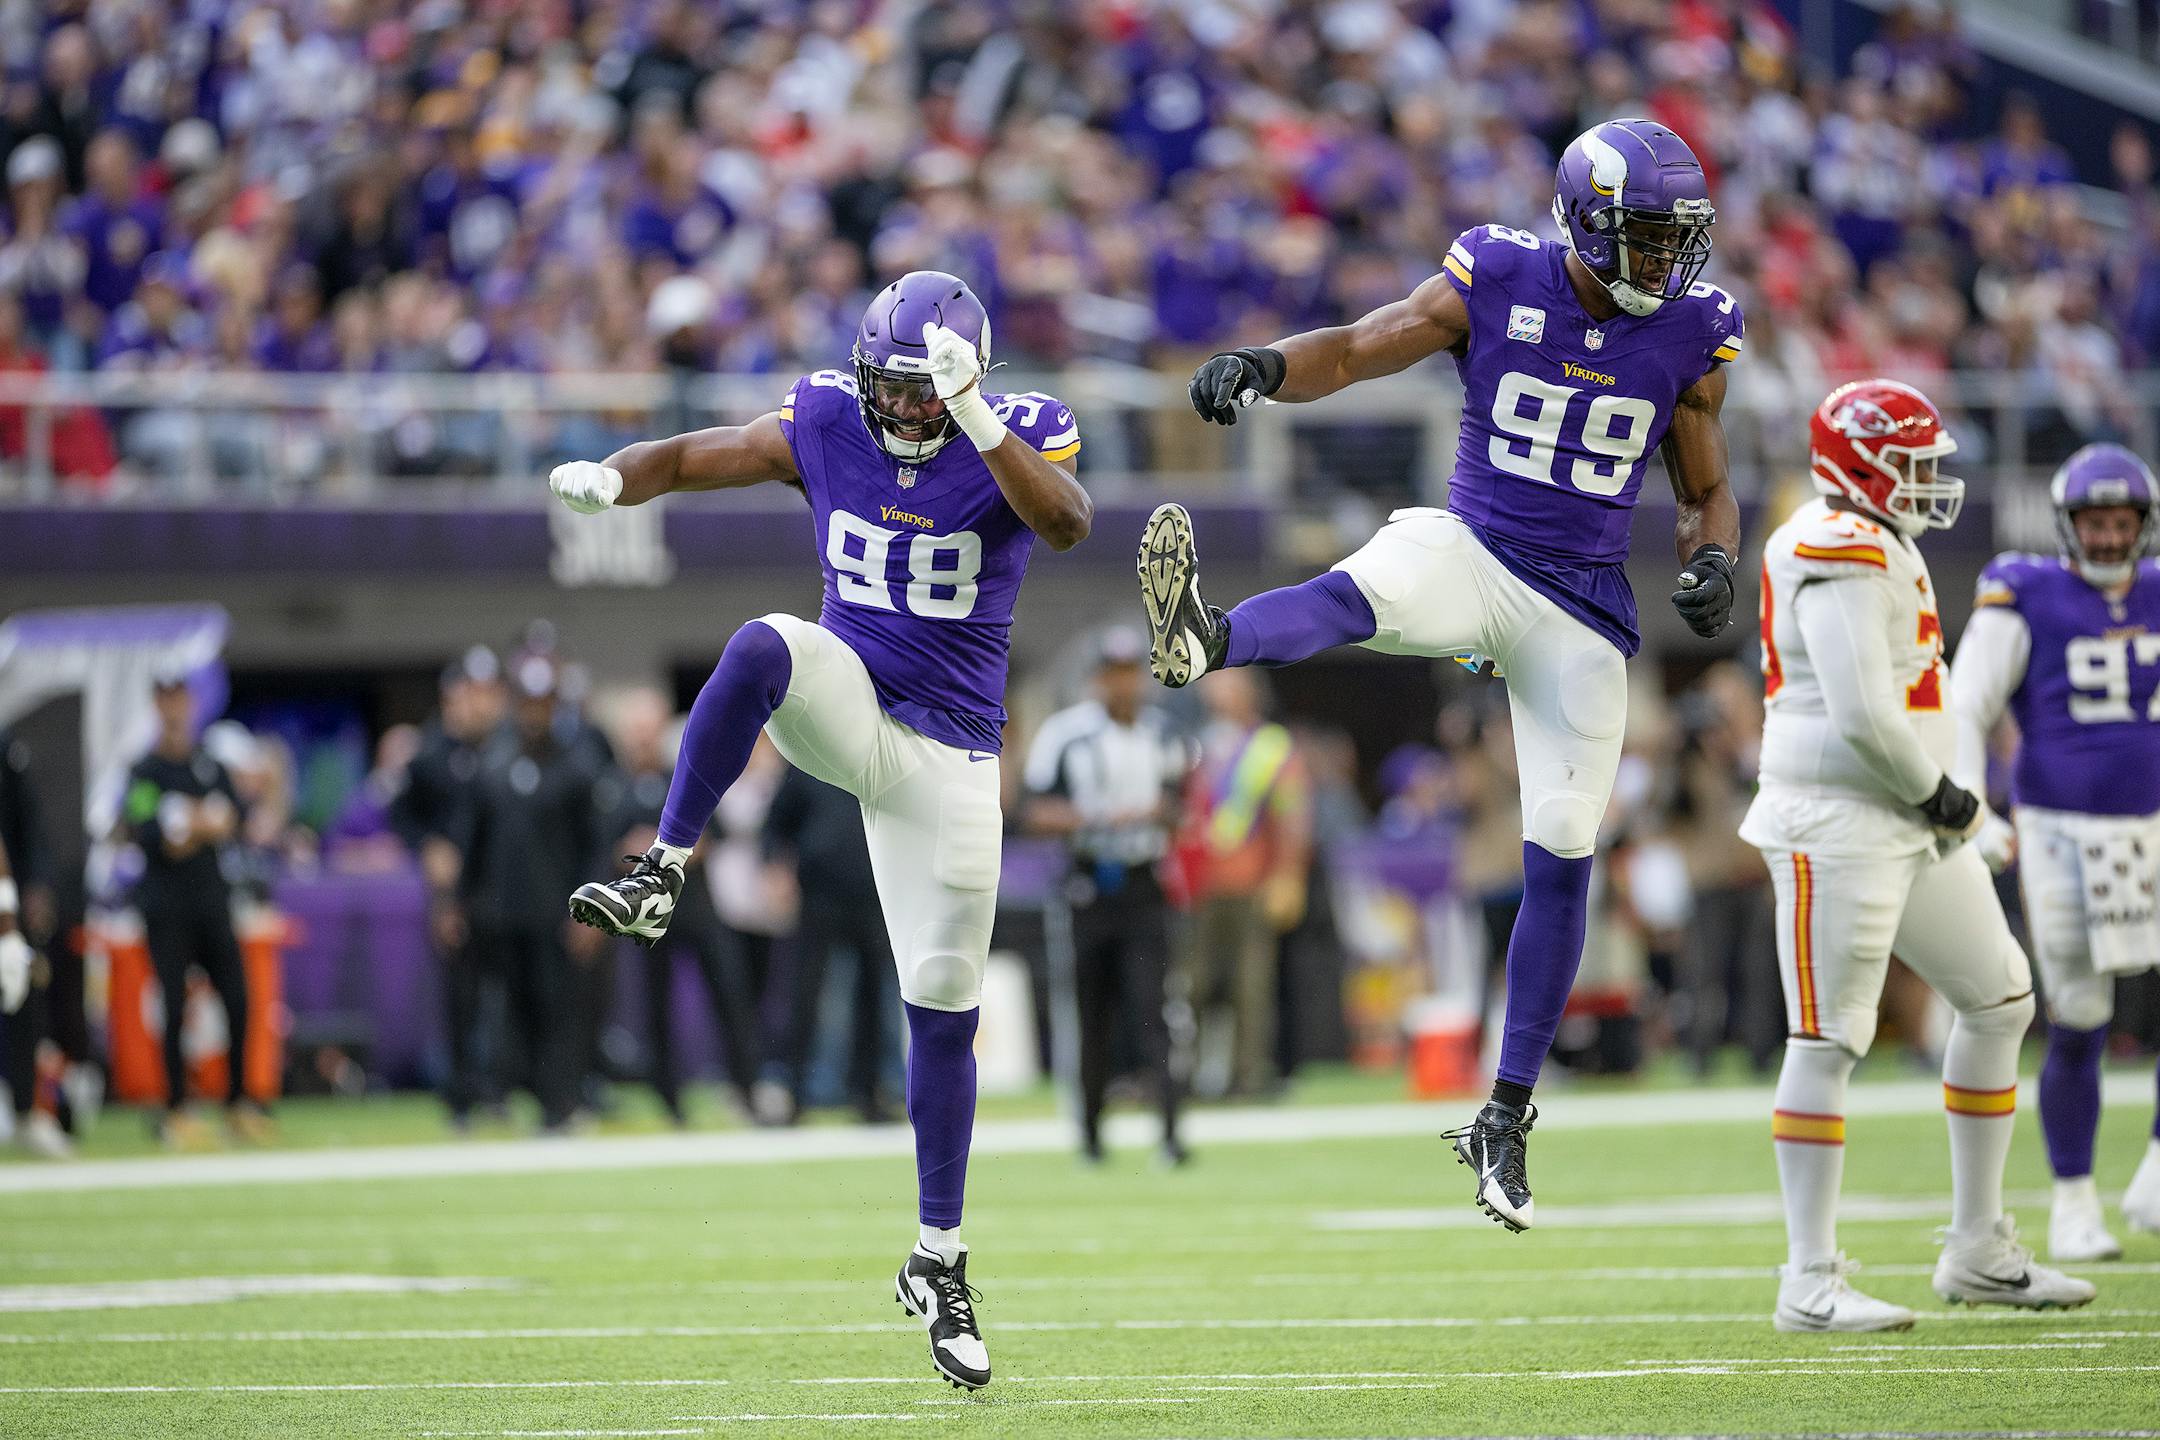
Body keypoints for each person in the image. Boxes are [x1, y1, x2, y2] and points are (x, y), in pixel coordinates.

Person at [1141, 119, 1743, 1230]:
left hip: (1579, 605)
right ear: (1587, 224)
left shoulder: (1694, 328)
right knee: (1365, 586)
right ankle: (1206, 639)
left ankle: (1504, 1116)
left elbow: (1705, 486)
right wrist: (1267, 365)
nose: (1667, 258)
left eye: (1678, 237)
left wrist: (1712, 559)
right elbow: (1359, 347)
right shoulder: (1501, 273)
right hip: (1477, 547)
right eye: (1647, 235)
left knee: (1565, 853)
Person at [547, 270, 1091, 1391]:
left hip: (951, 753)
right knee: (762, 642)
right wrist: (616, 476)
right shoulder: (830, 418)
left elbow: (1067, 524)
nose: (904, 407)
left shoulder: (1017, 428)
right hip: (847, 702)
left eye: (925, 388)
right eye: (892, 385)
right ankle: (663, 868)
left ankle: (938, 1259)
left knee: (943, 1010)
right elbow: (696, 456)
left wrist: (974, 414)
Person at [1743, 378, 2094, 1332]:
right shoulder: (1835, 543)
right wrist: (1952, 802)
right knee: (1828, 1037)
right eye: (1911, 463)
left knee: (2000, 997)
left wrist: (1943, 804)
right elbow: (1862, 714)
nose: (1930, 480)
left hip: (1904, 816)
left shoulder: (1883, 537)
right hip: (1837, 818)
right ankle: (1808, 1278)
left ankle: (1977, 1247)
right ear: (1857, 465)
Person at [1949, 442, 2160, 1261]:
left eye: (2121, 522)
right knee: (2079, 1014)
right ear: (2069, 524)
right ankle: (2074, 1202)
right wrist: (1971, 808)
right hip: (2062, 828)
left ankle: (2154, 1173)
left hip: (2153, 821)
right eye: (2094, 522)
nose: (2108, 537)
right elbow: (1967, 702)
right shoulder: (2025, 588)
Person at [1023, 627, 1189, 1163]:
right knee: (1090, 1014)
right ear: (1095, 679)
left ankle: (1170, 1133)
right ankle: (1090, 1135)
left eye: (1130, 673)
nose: (1123, 685)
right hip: (1088, 883)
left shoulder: (1165, 734)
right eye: (1113, 674)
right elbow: (1033, 811)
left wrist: (1163, 813)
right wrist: (1096, 817)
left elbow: (1184, 807)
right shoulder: (1066, 735)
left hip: (1143, 882)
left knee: (1155, 1011)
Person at [596, 687, 764, 1125]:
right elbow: (606, 850)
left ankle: (746, 1089)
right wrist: (637, 852)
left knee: (730, 997)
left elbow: (715, 834)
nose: (642, 739)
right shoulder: (611, 788)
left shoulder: (685, 775)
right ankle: (669, 1099)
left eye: (648, 730)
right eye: (635, 731)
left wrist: (668, 850)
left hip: (698, 908)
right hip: (648, 917)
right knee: (655, 1007)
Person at [454, 653, 603, 1133]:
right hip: (501, 914)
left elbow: (593, 847)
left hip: (558, 915)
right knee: (509, 1011)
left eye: (544, 703)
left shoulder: (577, 769)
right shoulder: (492, 766)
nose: (535, 713)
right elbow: (473, 844)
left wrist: (591, 912)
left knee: (558, 1009)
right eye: (528, 703)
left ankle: (560, 1105)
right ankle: (511, 1097)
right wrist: (457, 902)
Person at [123, 671, 271, 1147]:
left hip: (211, 901)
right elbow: (151, 835)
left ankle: (238, 1102)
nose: (174, 707)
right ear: (156, 704)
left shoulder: (208, 763)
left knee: (238, 998)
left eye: (179, 697)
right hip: (166, 907)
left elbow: (234, 820)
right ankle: (175, 1106)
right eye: (165, 697)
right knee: (172, 1005)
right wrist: (197, 826)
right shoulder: (144, 770)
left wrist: (191, 826)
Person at [1176, 669, 1310, 1101]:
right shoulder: (1198, 742)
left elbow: (1293, 815)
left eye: (1226, 686)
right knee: (1192, 983)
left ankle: (1248, 1076)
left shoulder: (1270, 746)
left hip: (1252, 880)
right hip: (1201, 884)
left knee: (1250, 984)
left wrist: (1288, 874)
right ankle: (1185, 1074)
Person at [390, 647, 505, 1128]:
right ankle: (460, 1096)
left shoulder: (506, 749)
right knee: (461, 996)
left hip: (503, 888)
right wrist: (427, 846)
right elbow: (402, 814)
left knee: (505, 997)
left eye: (485, 693)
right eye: (469, 693)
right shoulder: (431, 755)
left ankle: (497, 1090)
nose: (477, 703)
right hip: (455, 893)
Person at [762, 762, 898, 1124]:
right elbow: (775, 823)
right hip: (819, 894)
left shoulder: (878, 763)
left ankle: (868, 1095)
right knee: (805, 993)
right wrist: (776, 870)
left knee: (873, 996)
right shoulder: (808, 762)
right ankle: (794, 1094)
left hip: (873, 894)